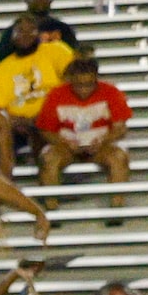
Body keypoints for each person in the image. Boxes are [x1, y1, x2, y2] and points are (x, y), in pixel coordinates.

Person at [33, 52, 133, 191]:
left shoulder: (111, 92)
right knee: (48, 160)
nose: (84, 90)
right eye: (79, 85)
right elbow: (46, 131)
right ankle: (51, 207)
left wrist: (103, 140)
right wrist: (65, 143)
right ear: (70, 79)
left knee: (119, 158)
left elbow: (120, 128)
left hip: (102, 146)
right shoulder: (55, 95)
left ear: (96, 79)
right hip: (66, 147)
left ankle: (117, 208)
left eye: (89, 84)